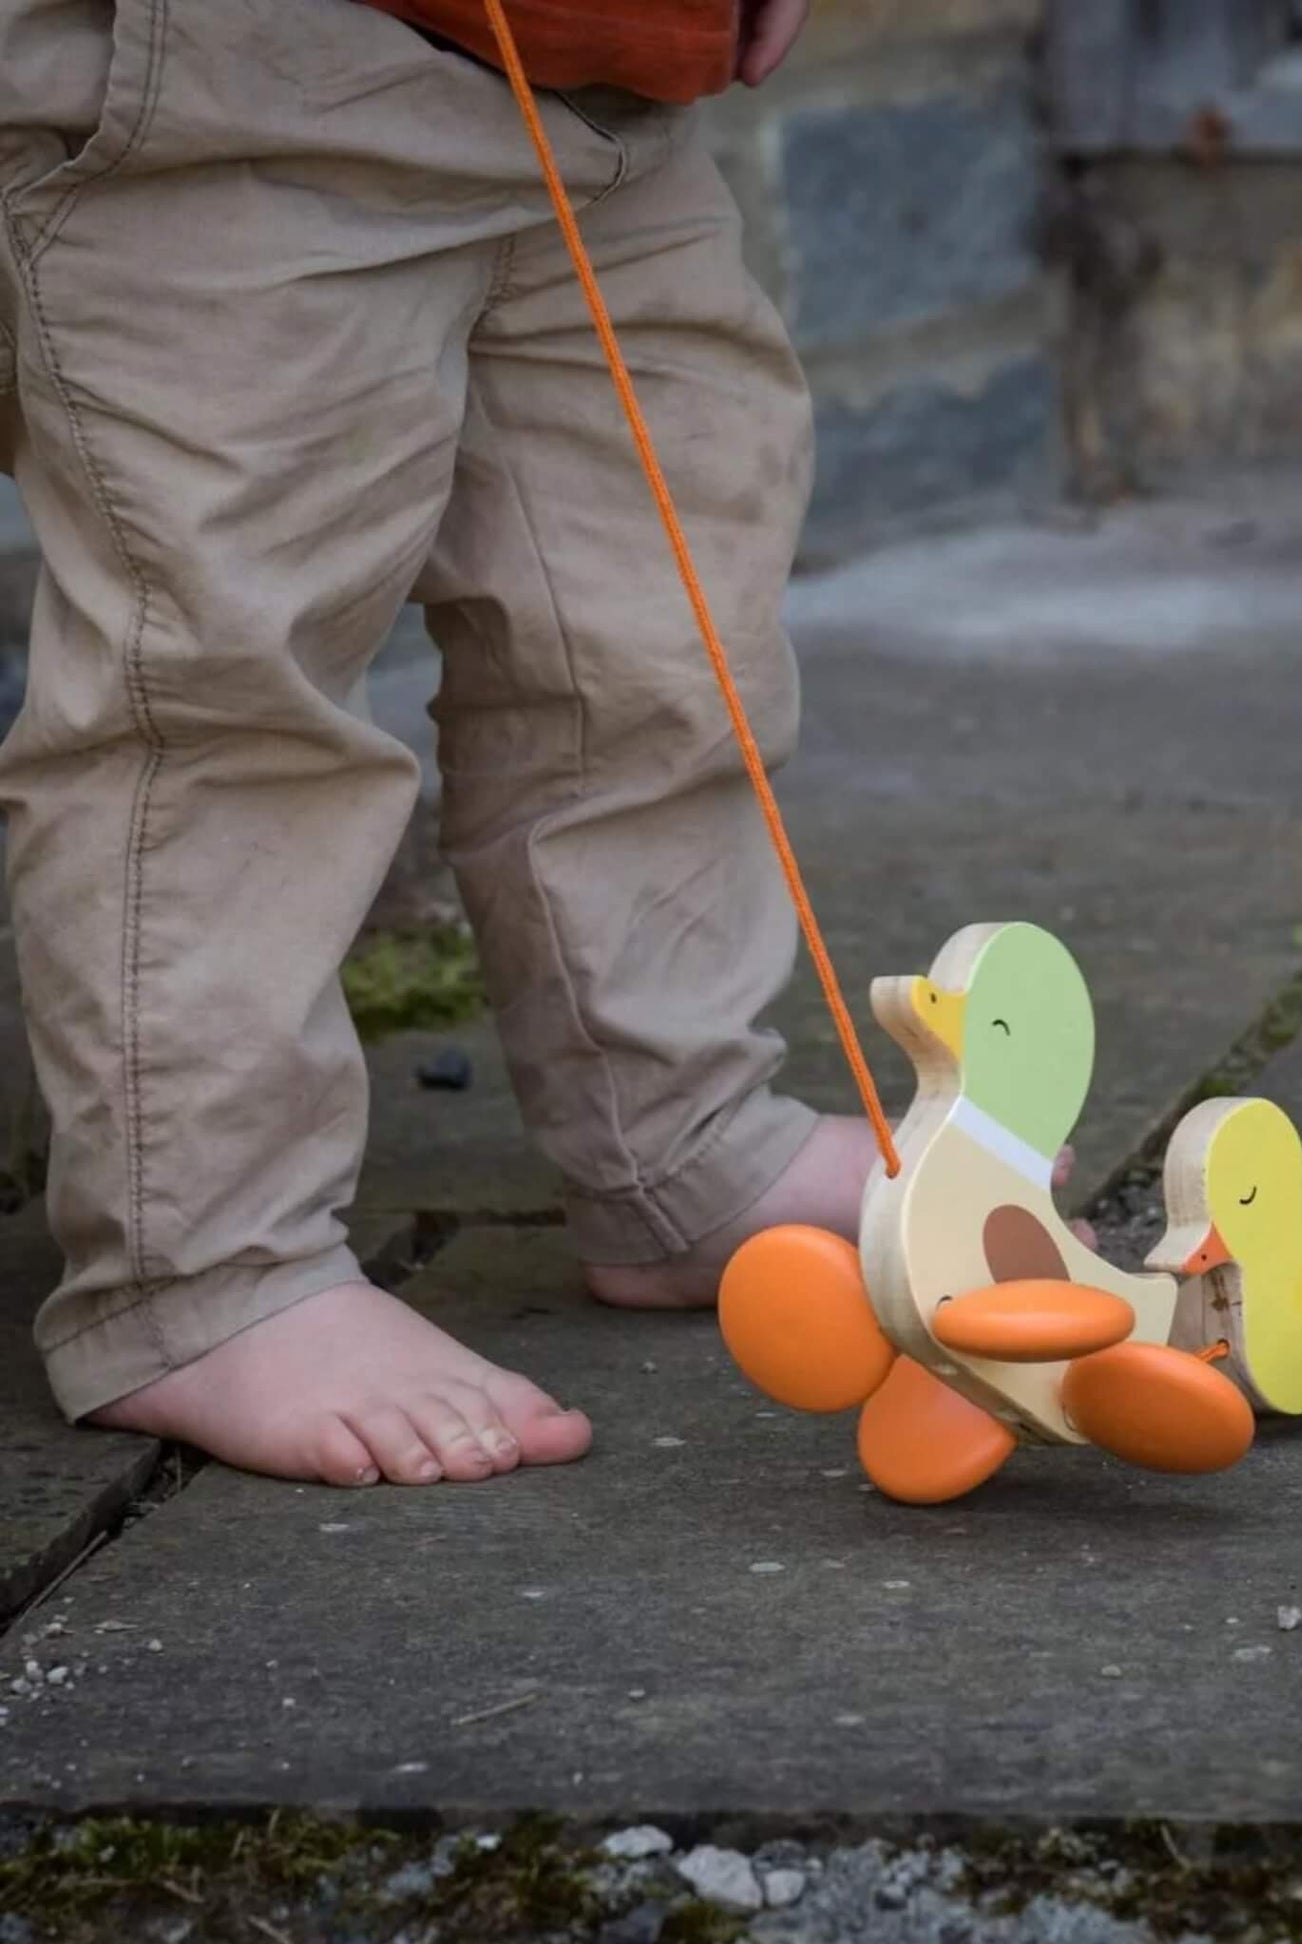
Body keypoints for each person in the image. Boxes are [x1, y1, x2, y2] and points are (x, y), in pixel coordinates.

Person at [0, 0, 945, 1489]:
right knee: (232, 684)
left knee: (652, 636)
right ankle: (203, 1266)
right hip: (241, 101)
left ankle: (673, 1131)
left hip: (611, 102)